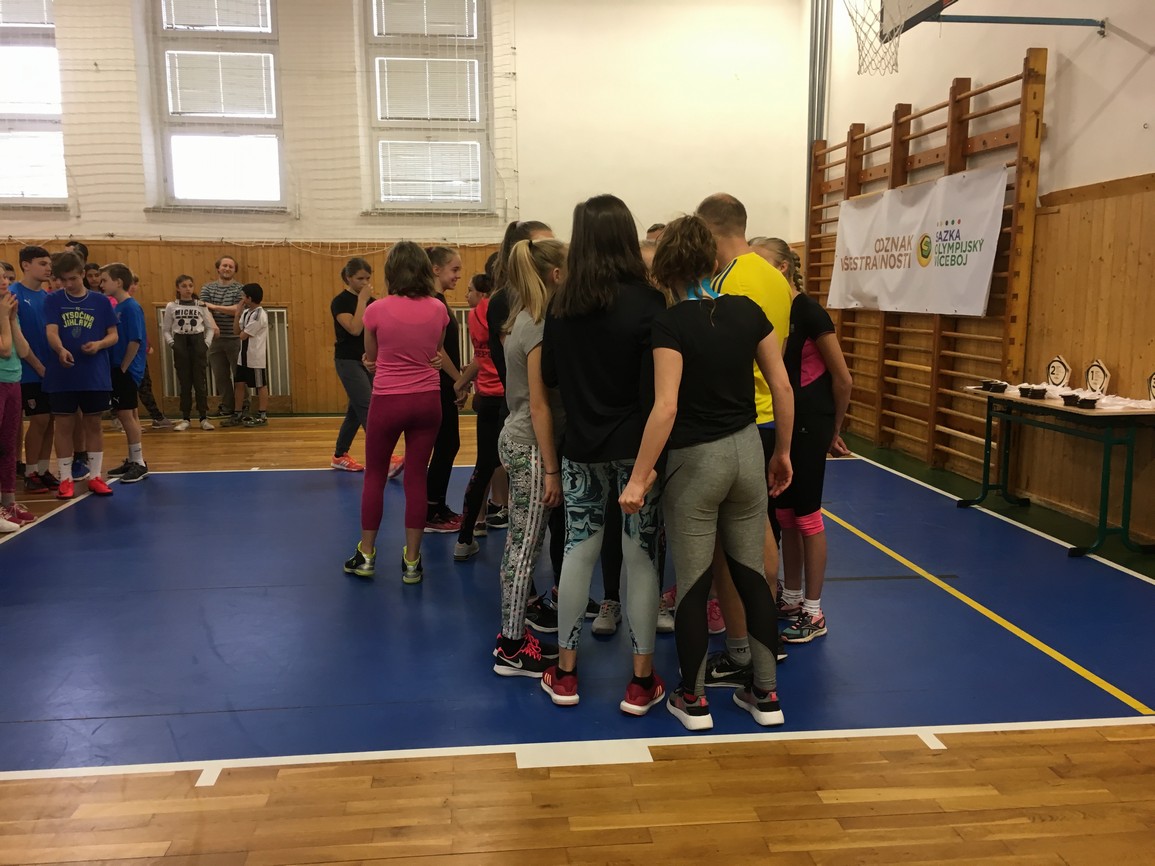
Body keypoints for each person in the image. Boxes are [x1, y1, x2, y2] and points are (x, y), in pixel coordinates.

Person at [621, 215, 794, 731]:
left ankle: (693, 700)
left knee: (695, 583)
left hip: (697, 461)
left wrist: (638, 477)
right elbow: (782, 387)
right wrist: (783, 452)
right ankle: (766, 694)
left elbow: (666, 407)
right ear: (714, 260)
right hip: (747, 451)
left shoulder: (670, 324)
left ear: (664, 269)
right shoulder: (747, 311)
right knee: (751, 576)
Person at [539, 194, 668, 715]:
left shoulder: (562, 304)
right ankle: (641, 680)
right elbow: (656, 389)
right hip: (638, 452)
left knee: (578, 551)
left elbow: (551, 377)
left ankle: (566, 671)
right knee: (641, 558)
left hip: (582, 446)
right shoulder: (649, 302)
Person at [695, 193, 794, 688]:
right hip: (771, 417)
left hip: (735, 420)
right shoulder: (777, 278)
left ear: (709, 230)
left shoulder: (723, 284)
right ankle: (764, 636)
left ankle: (742, 649)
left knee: (727, 545)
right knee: (760, 534)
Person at [750, 237, 852, 644]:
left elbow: (843, 378)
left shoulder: (808, 311)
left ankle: (814, 610)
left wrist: (834, 430)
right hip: (784, 421)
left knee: (807, 516)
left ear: (782, 269)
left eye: (760, 263)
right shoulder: (769, 311)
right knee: (785, 515)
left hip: (811, 421)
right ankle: (791, 597)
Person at [344, 242, 447, 584]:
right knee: (417, 477)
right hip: (427, 401)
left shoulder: (375, 310)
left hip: (389, 400)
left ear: (391, 273)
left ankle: (366, 556)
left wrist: (373, 362)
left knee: (375, 475)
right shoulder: (438, 308)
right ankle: (413, 562)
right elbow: (435, 351)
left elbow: (371, 358)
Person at [491, 238, 568, 676]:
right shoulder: (537, 325)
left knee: (523, 545)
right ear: (556, 275)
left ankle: (514, 634)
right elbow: (539, 405)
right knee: (523, 549)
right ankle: (511, 645)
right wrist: (552, 469)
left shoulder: (523, 317)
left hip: (519, 438)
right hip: (531, 446)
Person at [41, 252, 119, 499]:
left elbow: (113, 335)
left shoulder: (100, 301)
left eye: (73, 278)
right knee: (64, 424)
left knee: (93, 424)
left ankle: (95, 476)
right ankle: (65, 478)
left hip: (94, 373)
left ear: (83, 274)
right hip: (63, 373)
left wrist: (99, 344)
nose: (68, 284)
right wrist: (60, 349)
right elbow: (51, 332)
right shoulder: (53, 299)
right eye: (63, 280)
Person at [330, 257, 403, 478]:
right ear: (348, 278)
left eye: (367, 278)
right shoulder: (341, 302)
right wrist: (362, 300)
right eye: (360, 278)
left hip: (368, 361)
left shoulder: (372, 302)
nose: (364, 283)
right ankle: (385, 458)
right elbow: (354, 328)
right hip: (348, 361)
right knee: (368, 407)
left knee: (355, 410)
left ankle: (339, 455)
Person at [452, 270, 508, 560]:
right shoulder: (510, 309)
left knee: (484, 465)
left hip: (486, 398)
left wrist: (461, 383)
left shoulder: (475, 314)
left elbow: (481, 355)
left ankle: (467, 535)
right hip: (510, 399)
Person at [423, 246, 465, 533]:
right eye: (454, 269)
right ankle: (431, 510)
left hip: (445, 383)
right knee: (447, 443)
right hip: (439, 383)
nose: (458, 275)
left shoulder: (440, 301)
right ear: (436, 269)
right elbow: (438, 350)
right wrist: (459, 379)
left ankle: (436, 504)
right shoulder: (434, 302)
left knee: (448, 444)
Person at [11, 246, 58, 493]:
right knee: (39, 419)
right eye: (42, 263)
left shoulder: (48, 297)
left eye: (49, 263)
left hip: (51, 370)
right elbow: (17, 339)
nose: (48, 268)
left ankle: (42, 469)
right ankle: (30, 473)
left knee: (50, 420)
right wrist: (38, 366)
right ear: (26, 265)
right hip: (28, 371)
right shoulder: (13, 294)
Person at [102, 263, 149, 483]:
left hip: (127, 369)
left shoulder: (131, 307)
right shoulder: (118, 307)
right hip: (119, 367)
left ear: (118, 282)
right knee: (129, 414)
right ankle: (133, 458)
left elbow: (135, 340)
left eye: (105, 280)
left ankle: (139, 462)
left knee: (125, 415)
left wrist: (123, 367)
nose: (101, 284)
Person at [162, 274, 218, 431]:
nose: (188, 289)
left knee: (200, 383)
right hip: (180, 342)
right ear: (178, 288)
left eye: (190, 286)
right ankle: (185, 418)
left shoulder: (201, 305)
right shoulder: (171, 306)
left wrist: (206, 344)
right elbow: (166, 329)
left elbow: (210, 328)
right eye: (184, 286)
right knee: (185, 383)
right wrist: (172, 344)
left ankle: (203, 417)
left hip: (197, 342)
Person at [1, 285, 37, 529]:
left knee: (8, 446)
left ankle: (8, 502)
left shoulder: (8, 313)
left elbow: (22, 350)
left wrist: (12, 319)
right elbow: (5, 350)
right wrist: (4, 317)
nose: (4, 281)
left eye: (5, 277)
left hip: (13, 381)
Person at [199, 256, 244, 418]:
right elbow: (203, 309)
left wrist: (214, 306)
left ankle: (243, 408)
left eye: (231, 266)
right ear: (218, 268)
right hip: (215, 339)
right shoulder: (207, 288)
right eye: (224, 265)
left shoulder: (240, 289)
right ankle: (227, 407)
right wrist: (213, 326)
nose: (227, 269)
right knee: (220, 376)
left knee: (240, 376)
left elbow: (238, 310)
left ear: (235, 270)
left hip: (235, 338)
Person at [221, 284, 269, 428]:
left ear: (250, 298)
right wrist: (237, 314)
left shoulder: (259, 315)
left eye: (243, 296)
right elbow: (236, 331)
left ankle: (262, 415)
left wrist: (241, 328)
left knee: (260, 385)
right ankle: (238, 413)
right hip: (242, 357)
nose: (241, 298)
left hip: (255, 357)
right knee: (239, 383)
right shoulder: (247, 312)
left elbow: (243, 335)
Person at [129, 275, 172, 430]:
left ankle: (156, 417)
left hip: (138, 353)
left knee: (144, 384)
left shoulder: (133, 305)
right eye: (131, 283)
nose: (133, 287)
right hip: (126, 353)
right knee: (129, 387)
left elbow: (139, 330)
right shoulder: (119, 304)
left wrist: (146, 345)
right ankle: (126, 420)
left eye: (135, 284)